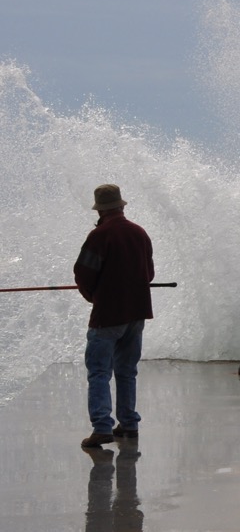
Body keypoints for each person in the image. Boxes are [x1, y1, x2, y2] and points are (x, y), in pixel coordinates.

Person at [74, 184, 156, 448]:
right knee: (126, 371)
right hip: (137, 313)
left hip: (107, 316)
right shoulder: (140, 233)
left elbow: (83, 273)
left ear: (100, 210)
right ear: (121, 206)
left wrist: (93, 296)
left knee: (99, 371)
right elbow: (149, 273)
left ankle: (101, 427)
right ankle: (129, 423)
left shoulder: (99, 236)